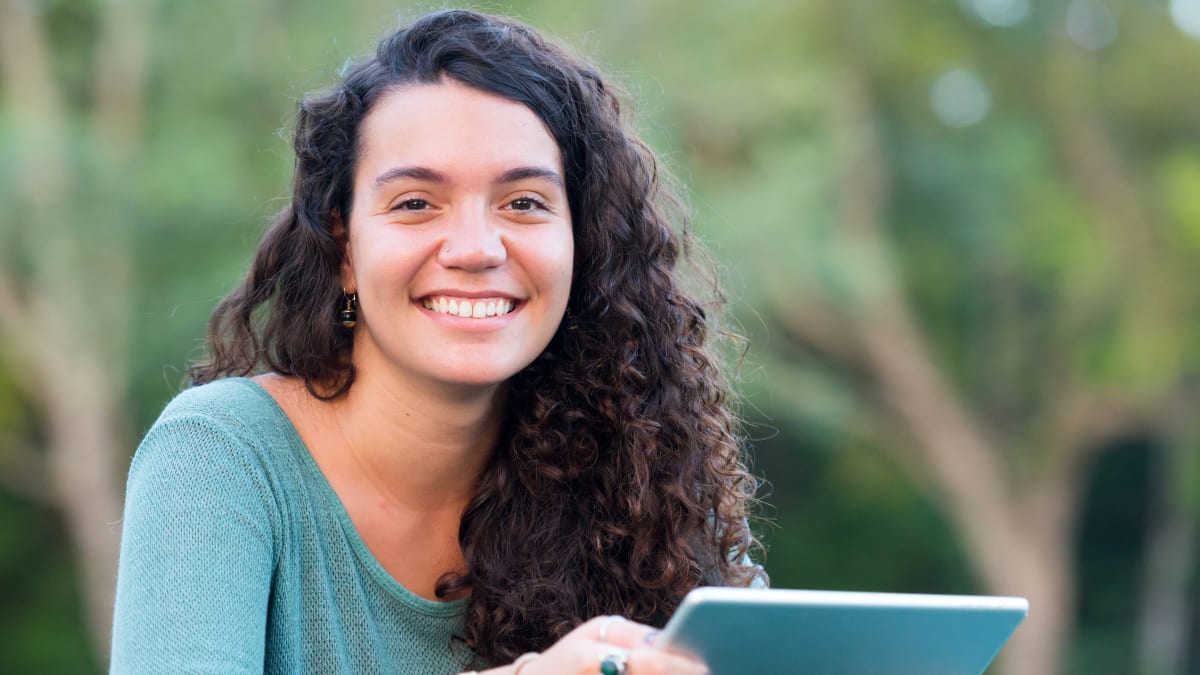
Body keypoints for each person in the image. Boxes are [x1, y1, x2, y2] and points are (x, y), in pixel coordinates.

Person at [110, 9, 765, 675]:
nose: (476, 249)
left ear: (582, 246)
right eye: (416, 203)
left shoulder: (645, 475)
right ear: (342, 245)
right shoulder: (220, 457)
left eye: (525, 203)